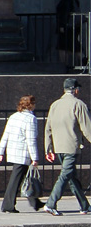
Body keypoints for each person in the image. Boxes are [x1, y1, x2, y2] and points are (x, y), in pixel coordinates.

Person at [41, 78, 91, 216]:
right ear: (75, 90)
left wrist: (48, 148)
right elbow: (87, 128)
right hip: (71, 146)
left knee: (71, 176)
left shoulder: (55, 105)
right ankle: (51, 204)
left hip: (58, 147)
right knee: (65, 175)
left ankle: (85, 205)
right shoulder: (78, 104)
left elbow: (48, 128)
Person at [0, 95, 41, 212]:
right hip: (23, 152)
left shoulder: (13, 117)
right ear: (31, 105)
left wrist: (0, 152)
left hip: (12, 151)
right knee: (17, 179)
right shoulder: (30, 119)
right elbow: (31, 139)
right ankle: (8, 204)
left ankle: (35, 202)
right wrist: (34, 157)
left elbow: (5, 135)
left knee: (25, 177)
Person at [55, 0, 81, 70]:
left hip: (67, 26)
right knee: (73, 45)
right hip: (73, 26)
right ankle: (82, 62)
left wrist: (62, 25)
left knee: (63, 46)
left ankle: (64, 65)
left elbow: (64, 13)